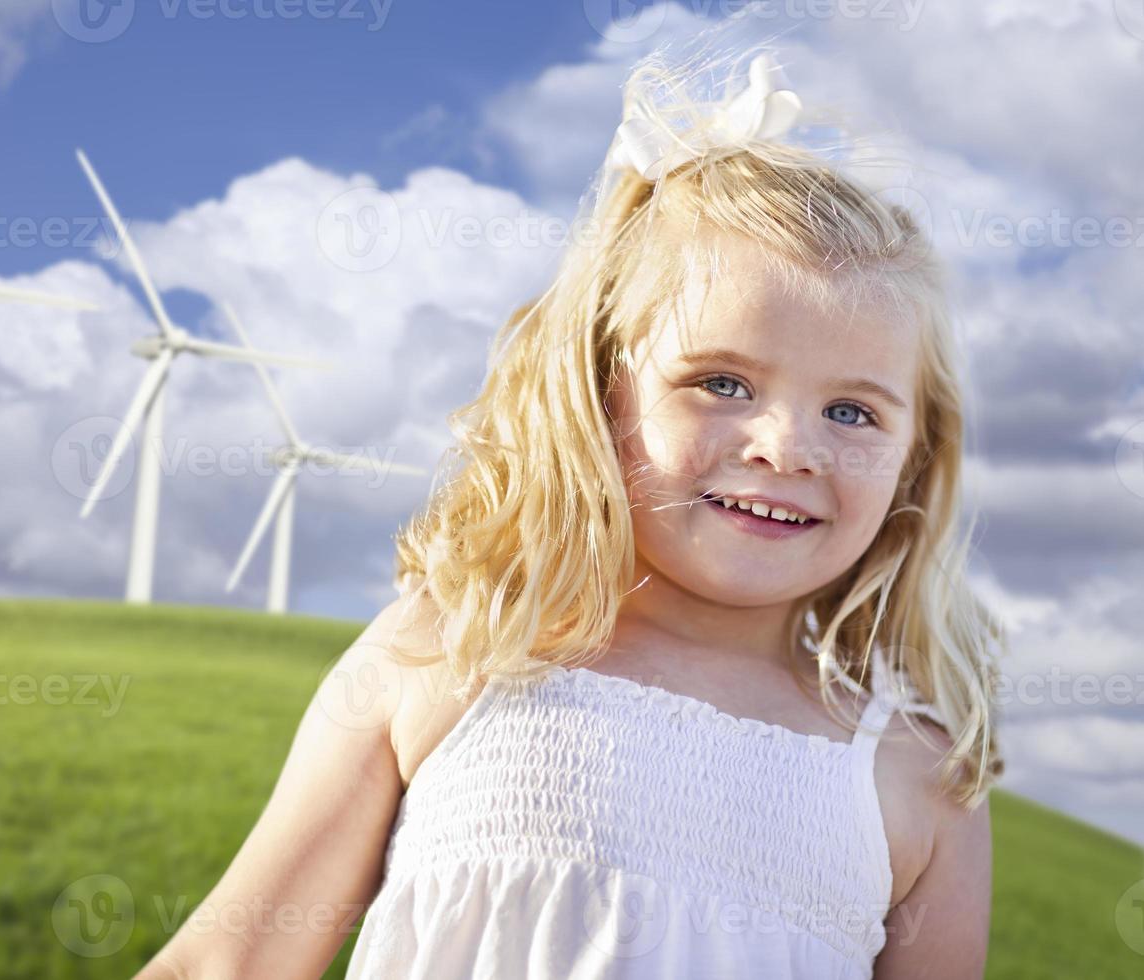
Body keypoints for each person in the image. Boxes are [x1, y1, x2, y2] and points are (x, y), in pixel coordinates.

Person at [135, 39, 1004, 980]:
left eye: (850, 411)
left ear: (915, 452)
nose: (786, 447)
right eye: (720, 382)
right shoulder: (454, 649)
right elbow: (227, 964)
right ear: (599, 389)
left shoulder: (918, 776)